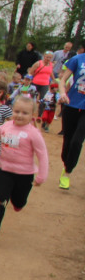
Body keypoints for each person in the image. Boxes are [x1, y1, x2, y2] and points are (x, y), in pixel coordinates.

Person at [0, 95, 48, 244]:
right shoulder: (6, 126)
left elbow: (42, 155)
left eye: (25, 113)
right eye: (17, 111)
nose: (19, 115)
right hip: (4, 171)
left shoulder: (33, 134)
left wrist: (41, 176)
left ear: (32, 116)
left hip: (25, 175)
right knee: (0, 198)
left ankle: (18, 203)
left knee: (19, 201)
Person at [56, 49, 85, 190]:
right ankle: (66, 163)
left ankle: (67, 173)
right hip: (71, 104)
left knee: (77, 141)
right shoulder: (78, 59)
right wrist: (62, 93)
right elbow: (62, 79)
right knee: (68, 140)